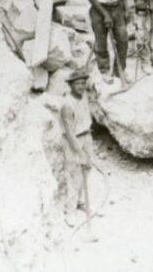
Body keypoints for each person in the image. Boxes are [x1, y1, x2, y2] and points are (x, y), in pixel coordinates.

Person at [59, 69, 95, 217]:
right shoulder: (67, 105)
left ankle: (80, 202)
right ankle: (70, 211)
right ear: (71, 85)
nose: (81, 86)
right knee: (74, 174)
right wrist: (80, 153)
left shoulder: (84, 96)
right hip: (73, 141)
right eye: (77, 83)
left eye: (83, 83)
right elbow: (69, 133)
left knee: (86, 170)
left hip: (87, 137)